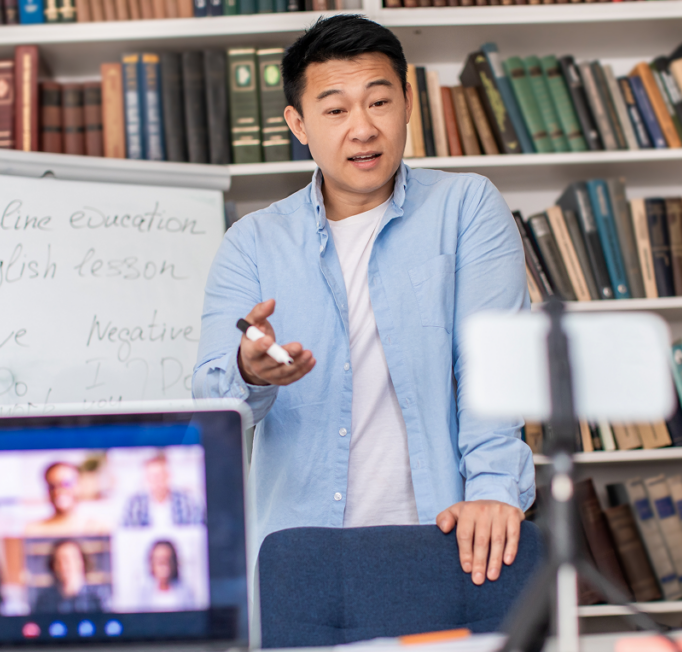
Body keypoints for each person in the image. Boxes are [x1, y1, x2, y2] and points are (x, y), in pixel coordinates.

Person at [192, 14, 534, 587]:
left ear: (407, 101)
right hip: (301, 555)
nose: (362, 128)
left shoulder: (466, 207)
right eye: (335, 110)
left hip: (446, 539)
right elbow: (210, 401)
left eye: (379, 102)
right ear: (298, 124)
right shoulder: (251, 242)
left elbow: (493, 368)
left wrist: (496, 493)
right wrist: (249, 371)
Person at [25, 462, 110, 537]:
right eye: (52, 486)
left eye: (66, 484)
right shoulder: (33, 530)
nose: (58, 491)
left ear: (79, 485)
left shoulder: (97, 529)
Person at [122, 453, 205, 528]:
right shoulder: (134, 504)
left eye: (161, 475)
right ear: (146, 478)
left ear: (169, 475)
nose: (158, 481)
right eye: (153, 477)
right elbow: (126, 533)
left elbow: (197, 531)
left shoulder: (187, 502)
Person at [33, 539, 107, 614]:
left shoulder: (98, 597)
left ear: (82, 562)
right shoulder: (44, 600)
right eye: (58, 561)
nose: (63, 566)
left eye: (68, 560)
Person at [139, 540, 196, 611]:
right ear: (152, 564)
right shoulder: (143, 595)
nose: (163, 566)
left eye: (167, 560)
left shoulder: (185, 593)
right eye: (159, 561)